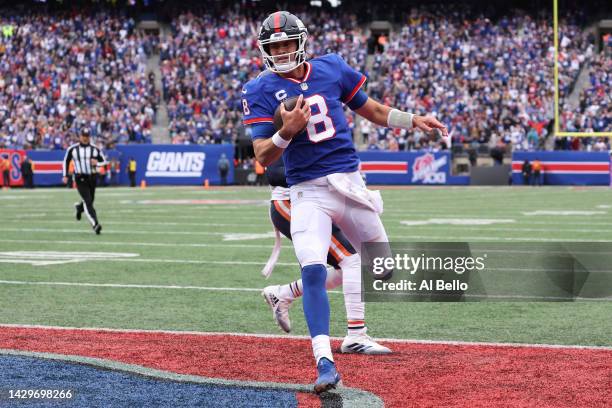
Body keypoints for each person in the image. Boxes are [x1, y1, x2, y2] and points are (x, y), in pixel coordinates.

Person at [242, 11, 447, 393]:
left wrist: (414, 119)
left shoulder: (332, 67)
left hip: (350, 186)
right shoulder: (259, 89)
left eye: (287, 43)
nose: (283, 51)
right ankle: (324, 363)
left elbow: (373, 110)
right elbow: (263, 155)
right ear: (265, 50)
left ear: (300, 42)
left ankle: (285, 294)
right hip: (307, 193)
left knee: (382, 267)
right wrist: (286, 133)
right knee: (316, 269)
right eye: (275, 46)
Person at [261, 158, 391, 355]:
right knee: (352, 259)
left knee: (355, 263)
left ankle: (283, 294)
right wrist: (321, 174)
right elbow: (274, 172)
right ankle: (356, 335)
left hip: (326, 198)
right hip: (294, 201)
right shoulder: (290, 127)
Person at [62, 128, 107, 234]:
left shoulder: (95, 149)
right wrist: (65, 175)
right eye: (83, 136)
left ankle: (79, 207)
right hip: (79, 177)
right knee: (88, 201)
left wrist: (97, 163)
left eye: (87, 136)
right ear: (80, 136)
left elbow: (104, 161)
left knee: (90, 200)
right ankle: (95, 224)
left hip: (92, 177)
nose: (85, 138)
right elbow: (66, 161)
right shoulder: (73, 149)